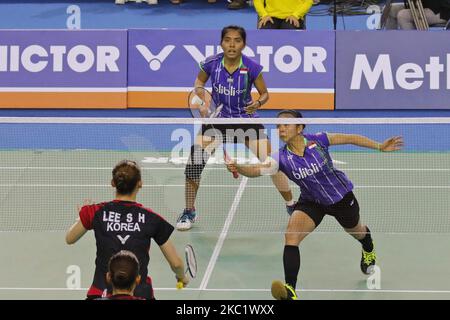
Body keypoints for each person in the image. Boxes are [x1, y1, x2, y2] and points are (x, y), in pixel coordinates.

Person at [226, 110, 404, 300]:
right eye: (278, 126)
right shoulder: (281, 157)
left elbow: (350, 138)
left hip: (340, 197)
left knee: (357, 231)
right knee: (291, 236)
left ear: (300, 127)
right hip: (311, 201)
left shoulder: (319, 140)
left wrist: (379, 146)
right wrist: (239, 166)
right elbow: (257, 170)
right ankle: (290, 290)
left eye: (286, 124)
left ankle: (367, 245)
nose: (281, 129)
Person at [177, 25, 294, 231]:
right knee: (194, 164)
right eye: (228, 40)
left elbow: (265, 93)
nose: (232, 44)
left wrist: (258, 103)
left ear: (243, 44)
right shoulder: (211, 64)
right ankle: (189, 211)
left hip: (246, 121)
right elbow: (198, 84)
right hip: (217, 120)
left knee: (273, 163)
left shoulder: (251, 67)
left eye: (237, 40)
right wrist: (203, 103)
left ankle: (291, 205)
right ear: (221, 43)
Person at [66, 160, 189, 299]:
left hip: (100, 293)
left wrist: (80, 218)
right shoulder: (152, 218)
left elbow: (69, 239)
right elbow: (176, 263)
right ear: (140, 184)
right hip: (140, 294)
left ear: (113, 183)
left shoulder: (95, 212)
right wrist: (182, 277)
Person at [385, 0, 450, 29]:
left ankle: (413, 49)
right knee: (391, 10)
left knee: (403, 15)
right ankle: (391, 46)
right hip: (423, 6)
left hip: (442, 11)